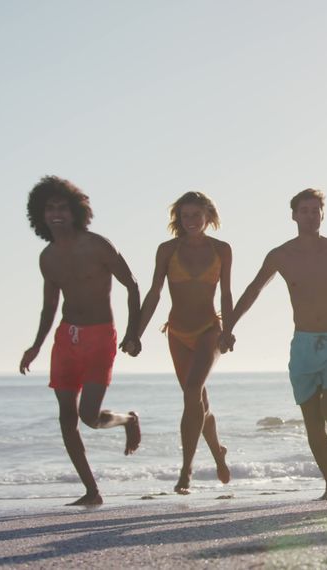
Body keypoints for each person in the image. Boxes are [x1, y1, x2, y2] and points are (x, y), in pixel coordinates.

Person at [219, 189, 327, 500]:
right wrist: (229, 328)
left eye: (315, 210)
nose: (310, 215)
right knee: (312, 424)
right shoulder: (280, 256)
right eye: (303, 210)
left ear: (323, 214)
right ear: (293, 215)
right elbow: (253, 291)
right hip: (303, 344)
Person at [18, 176, 143, 506]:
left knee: (89, 416)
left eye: (62, 207)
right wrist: (36, 345)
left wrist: (133, 333)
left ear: (75, 212)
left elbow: (132, 286)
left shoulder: (98, 245)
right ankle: (91, 490)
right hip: (66, 339)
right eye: (50, 208)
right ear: (40, 215)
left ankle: (128, 419)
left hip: (100, 336)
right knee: (66, 417)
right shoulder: (47, 258)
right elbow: (49, 307)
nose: (56, 213)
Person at [138, 192, 232, 494]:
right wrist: (135, 333)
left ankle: (186, 470)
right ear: (178, 218)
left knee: (192, 391)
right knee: (197, 400)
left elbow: (227, 294)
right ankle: (218, 451)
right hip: (178, 333)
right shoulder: (167, 250)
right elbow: (154, 293)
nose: (191, 221)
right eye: (185, 215)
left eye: (196, 215)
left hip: (209, 330)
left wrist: (229, 329)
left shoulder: (222, 249)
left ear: (208, 216)